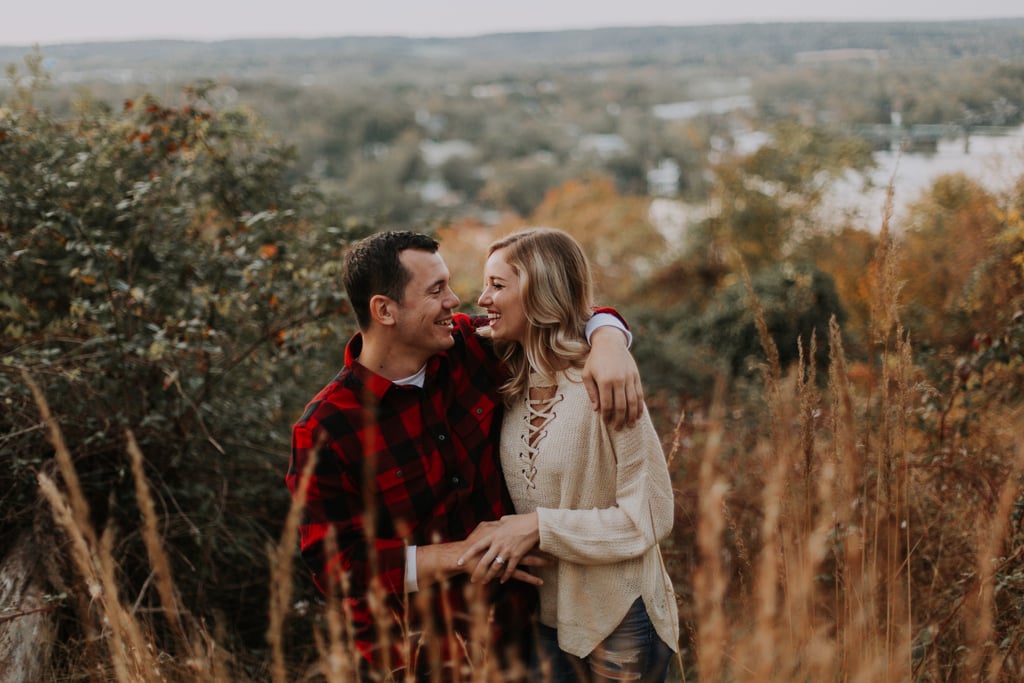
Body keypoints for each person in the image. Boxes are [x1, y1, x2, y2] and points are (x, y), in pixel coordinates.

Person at [286, 230, 642, 679]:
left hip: (519, 641)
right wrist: (469, 552)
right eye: (436, 291)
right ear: (384, 310)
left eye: (448, 285)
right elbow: (337, 567)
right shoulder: (325, 428)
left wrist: (609, 339)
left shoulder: (470, 348)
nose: (456, 301)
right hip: (414, 659)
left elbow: (557, 316)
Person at [458, 227, 679, 682]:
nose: (482, 298)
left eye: (498, 286)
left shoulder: (606, 384)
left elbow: (652, 514)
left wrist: (540, 526)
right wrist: (610, 331)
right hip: (543, 622)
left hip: (619, 618)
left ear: (541, 292)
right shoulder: (506, 380)